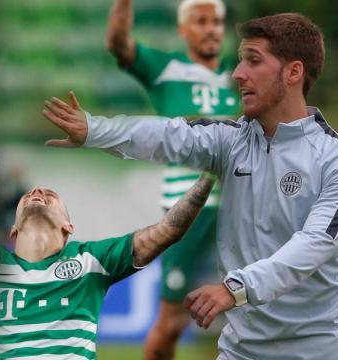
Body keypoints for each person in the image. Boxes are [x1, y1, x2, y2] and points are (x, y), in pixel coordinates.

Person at [43, 13, 338, 360]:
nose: (238, 73)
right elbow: (168, 135)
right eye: (240, 60)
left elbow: (312, 245)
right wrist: (94, 130)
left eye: (253, 61)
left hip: (319, 351)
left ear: (293, 72)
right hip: (241, 351)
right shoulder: (230, 140)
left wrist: (235, 289)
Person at [105, 0, 239, 357]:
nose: (211, 28)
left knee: (263, 313)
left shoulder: (241, 74)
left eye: (216, 22)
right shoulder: (166, 68)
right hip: (189, 211)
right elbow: (118, 44)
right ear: (183, 30)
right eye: (201, 21)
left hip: (243, 209)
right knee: (170, 324)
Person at [0, 161, 215, 359]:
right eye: (28, 195)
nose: (37, 191)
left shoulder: (91, 259)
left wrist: (210, 174)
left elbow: (167, 231)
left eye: (51, 195)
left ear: (68, 227)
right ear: (13, 229)